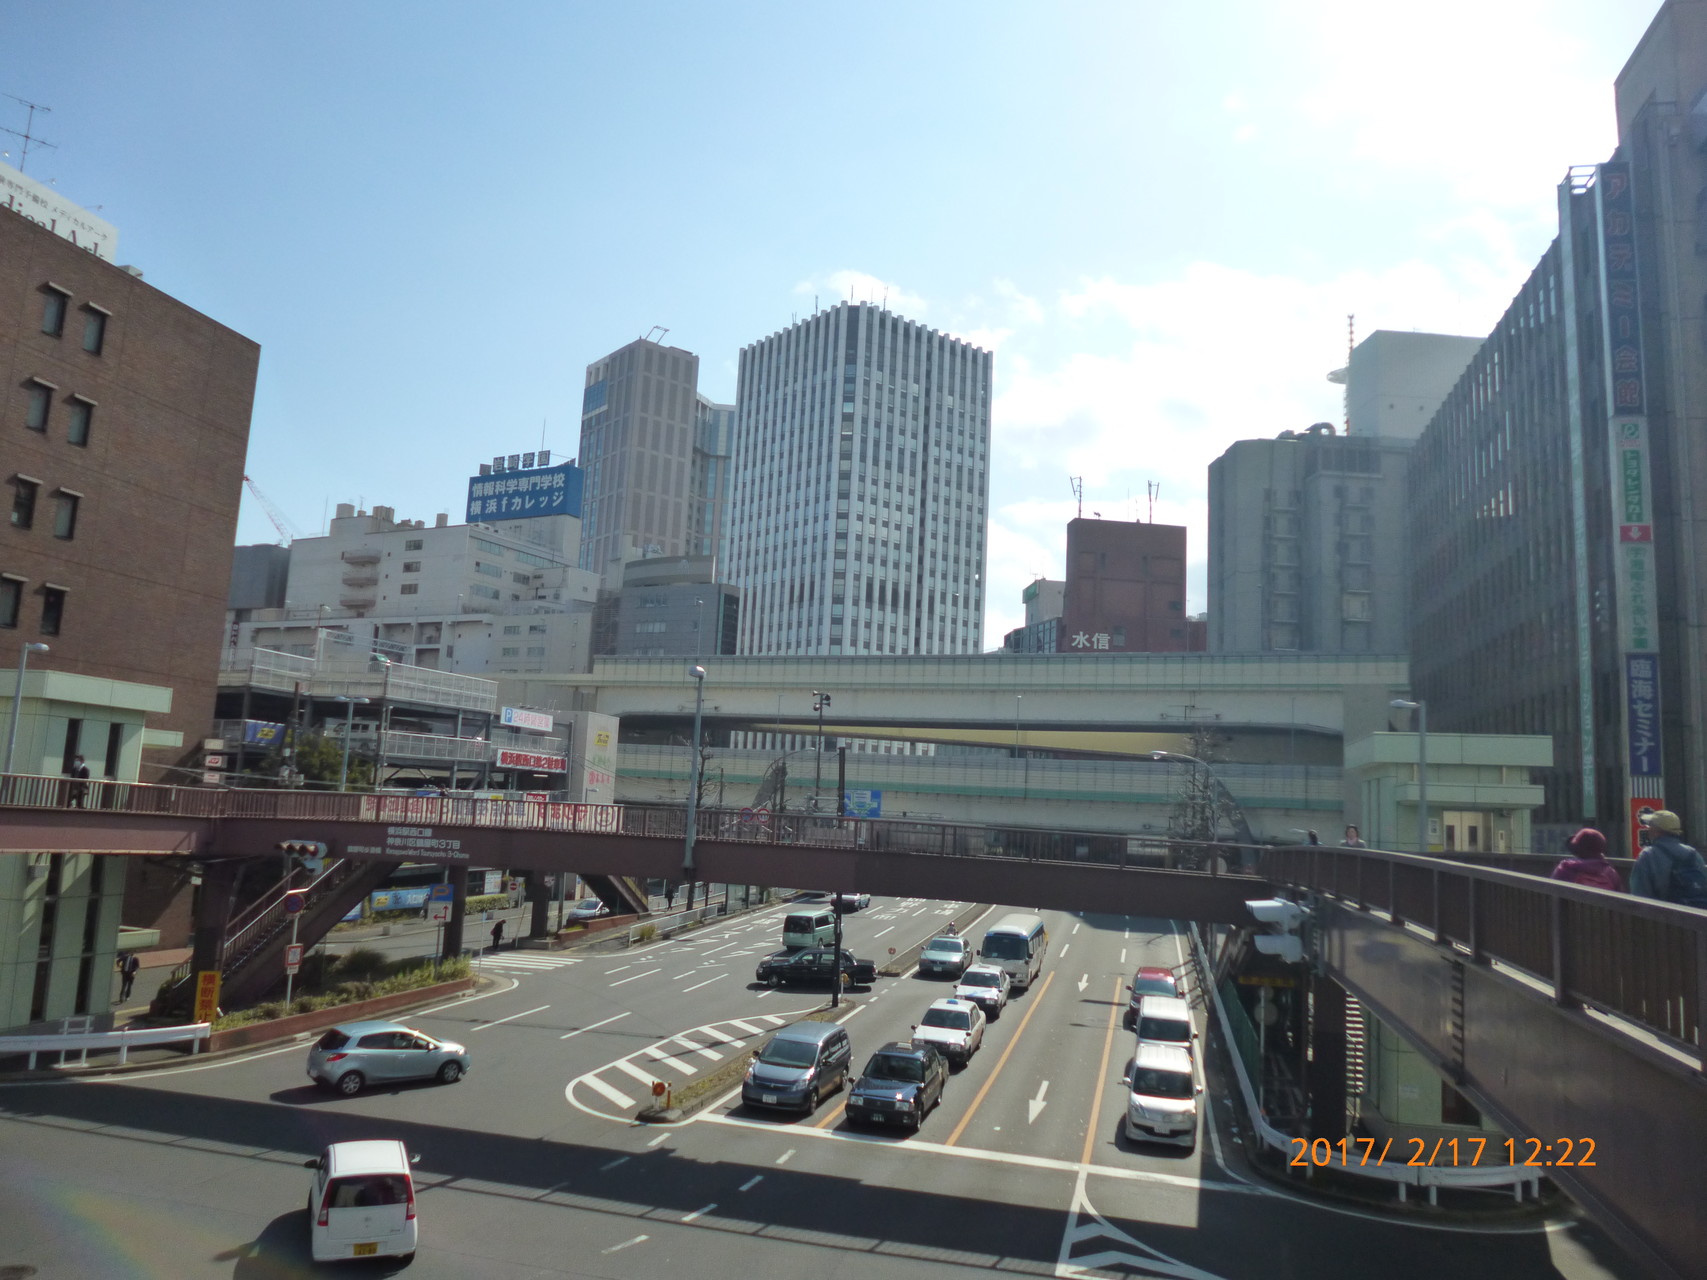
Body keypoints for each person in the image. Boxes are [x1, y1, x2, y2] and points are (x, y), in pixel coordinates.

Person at [1630, 810, 1707, 907]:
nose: (1648, 828)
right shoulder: (1693, 853)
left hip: (1661, 919)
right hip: (1696, 917)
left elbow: (1639, 894)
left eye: (1650, 825)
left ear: (1656, 830)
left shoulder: (1648, 855)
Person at [1550, 826, 1622, 892]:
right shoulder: (1610, 873)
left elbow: (1551, 892)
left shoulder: (1565, 868)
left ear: (1577, 850)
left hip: (1574, 906)